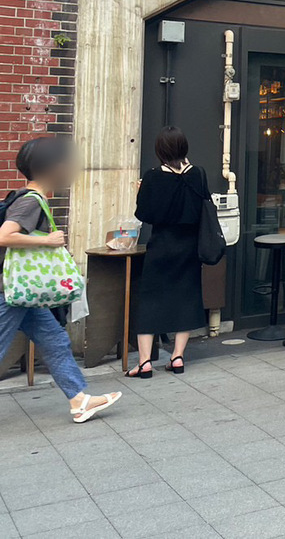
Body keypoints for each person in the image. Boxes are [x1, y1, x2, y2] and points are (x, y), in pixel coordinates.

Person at [0, 137, 122, 423]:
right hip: (12, 293)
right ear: (52, 168)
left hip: (27, 294)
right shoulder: (30, 202)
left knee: (55, 341)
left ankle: (79, 400)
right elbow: (4, 235)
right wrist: (48, 242)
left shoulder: (31, 198)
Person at [125, 126, 207, 378]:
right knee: (186, 297)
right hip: (189, 246)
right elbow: (201, 207)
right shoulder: (198, 174)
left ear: (160, 150)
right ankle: (178, 357)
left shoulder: (152, 177)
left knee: (150, 300)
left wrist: (141, 192)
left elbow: (144, 215)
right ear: (184, 148)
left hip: (161, 246)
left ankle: (145, 362)